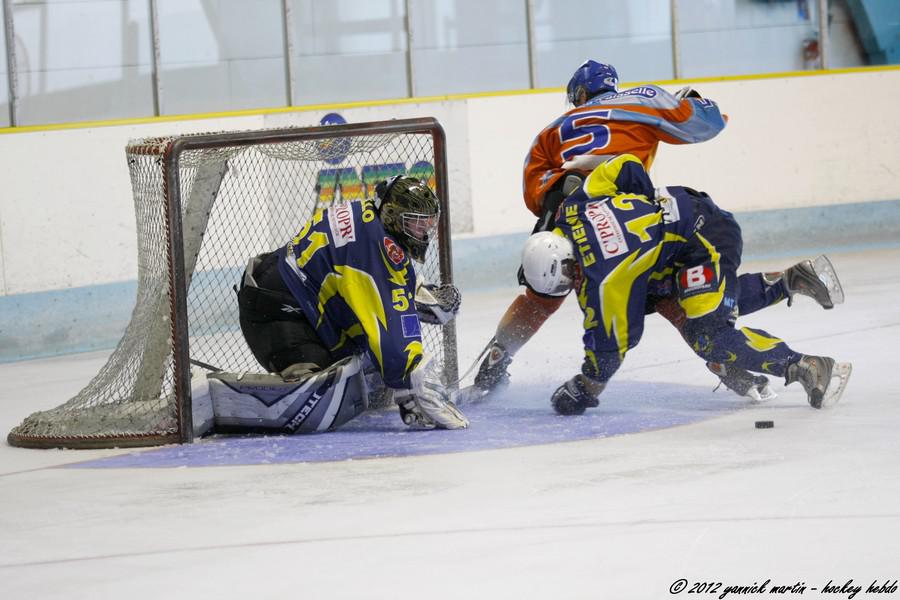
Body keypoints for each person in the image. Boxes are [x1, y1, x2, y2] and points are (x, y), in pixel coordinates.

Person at [474, 59, 840, 402]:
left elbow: (535, 192)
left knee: (546, 294)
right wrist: (694, 102)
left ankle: (497, 356)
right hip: (642, 216)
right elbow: (706, 124)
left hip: (577, 216)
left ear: (580, 96)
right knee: (664, 288)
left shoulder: (550, 132)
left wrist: (591, 383)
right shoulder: (643, 98)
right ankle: (734, 348)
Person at [519, 154, 851, 415]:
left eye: (566, 281)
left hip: (705, 241)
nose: (571, 286)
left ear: (565, 265)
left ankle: (805, 365)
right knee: (675, 298)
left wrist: (583, 389)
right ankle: (791, 281)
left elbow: (611, 347)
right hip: (689, 215)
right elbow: (625, 165)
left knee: (708, 336)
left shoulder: (602, 280)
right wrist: (651, 213)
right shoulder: (574, 208)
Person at [192, 175, 468, 436]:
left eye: (427, 224)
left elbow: (377, 280)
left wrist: (416, 295)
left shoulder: (369, 217)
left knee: (367, 378)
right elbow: (388, 325)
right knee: (322, 399)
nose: (424, 232)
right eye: (416, 223)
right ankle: (210, 397)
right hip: (278, 313)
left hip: (283, 295)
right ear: (394, 217)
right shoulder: (373, 247)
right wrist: (411, 380)